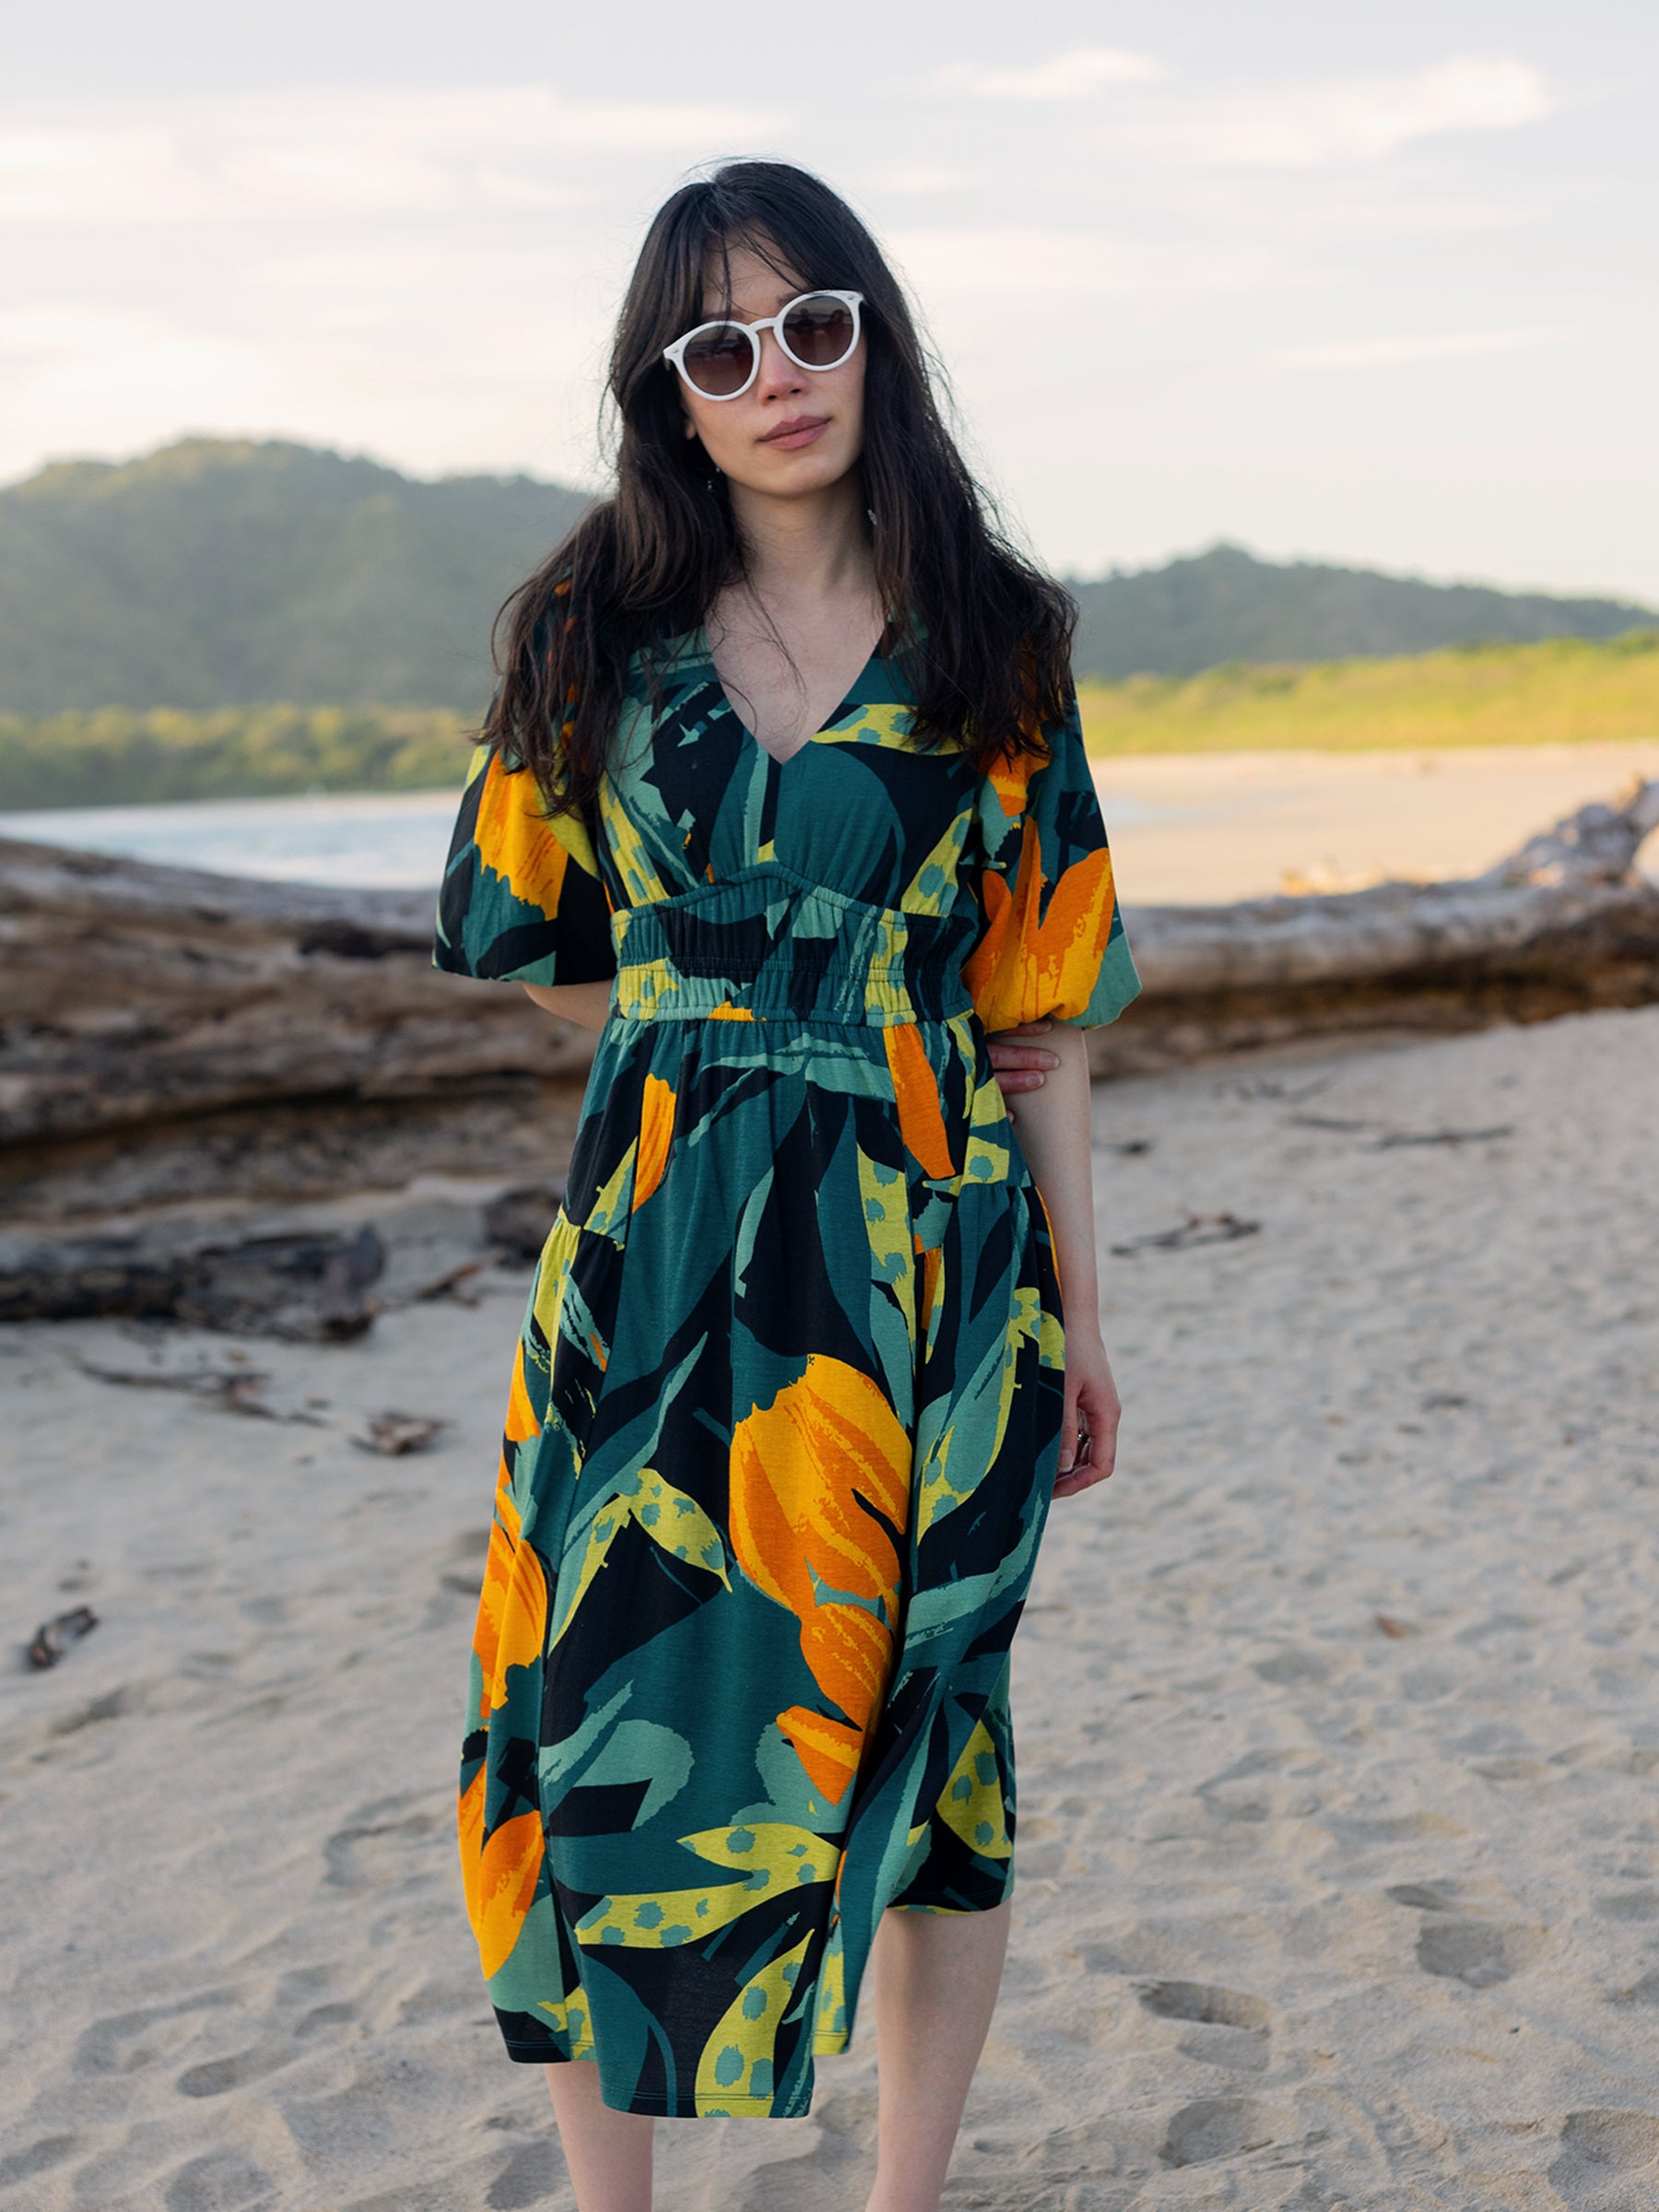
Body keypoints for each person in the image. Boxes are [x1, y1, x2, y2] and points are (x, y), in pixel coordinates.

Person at [434, 159, 1139, 2212]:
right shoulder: (586, 631)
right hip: (649, 1275)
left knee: (936, 1740)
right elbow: (533, 941)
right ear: (672, 393)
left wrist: (1087, 1325)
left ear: (874, 333)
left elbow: (1047, 1016)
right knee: (587, 1713)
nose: (780, 374)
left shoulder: (1000, 637)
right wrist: (711, 1043)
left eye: (814, 322)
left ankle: (904, 2199)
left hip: (932, 1265)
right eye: (723, 345)